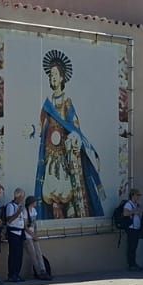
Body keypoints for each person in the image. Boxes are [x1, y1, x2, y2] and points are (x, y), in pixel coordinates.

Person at [34, 50, 105, 220]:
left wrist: (74, 139)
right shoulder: (47, 105)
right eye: (50, 75)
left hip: (66, 152)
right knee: (50, 187)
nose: (52, 78)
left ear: (62, 78)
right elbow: (40, 126)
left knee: (69, 187)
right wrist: (31, 131)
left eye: (55, 74)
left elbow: (74, 126)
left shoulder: (67, 103)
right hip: (51, 152)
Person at [2, 187, 31, 283]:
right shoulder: (11, 206)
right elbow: (9, 220)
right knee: (13, 254)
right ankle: (11, 274)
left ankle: (17, 274)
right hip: (13, 232)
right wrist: (17, 213)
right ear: (18, 196)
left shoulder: (21, 206)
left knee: (19, 255)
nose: (23, 199)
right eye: (22, 196)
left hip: (20, 232)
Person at [21, 195, 53, 281]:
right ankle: (38, 272)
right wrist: (32, 235)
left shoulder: (34, 211)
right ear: (31, 202)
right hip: (27, 236)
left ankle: (43, 270)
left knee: (39, 253)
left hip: (33, 235)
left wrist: (35, 234)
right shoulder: (25, 211)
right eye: (34, 201)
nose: (36, 203)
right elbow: (25, 226)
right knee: (33, 255)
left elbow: (34, 224)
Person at [120, 189, 143, 272]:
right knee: (131, 246)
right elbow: (125, 213)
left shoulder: (136, 204)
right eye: (137, 195)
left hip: (136, 228)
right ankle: (131, 264)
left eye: (139, 195)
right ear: (133, 195)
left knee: (134, 247)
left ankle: (134, 263)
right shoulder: (128, 204)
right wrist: (134, 212)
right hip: (131, 228)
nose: (139, 197)